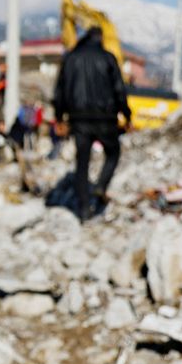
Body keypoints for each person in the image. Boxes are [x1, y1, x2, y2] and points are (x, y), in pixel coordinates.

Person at [52, 28, 130, 221]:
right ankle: (101, 185)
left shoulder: (70, 58)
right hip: (106, 118)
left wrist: (59, 117)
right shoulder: (108, 58)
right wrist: (126, 114)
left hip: (79, 120)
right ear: (100, 39)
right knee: (113, 152)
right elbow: (119, 88)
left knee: (82, 163)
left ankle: (84, 209)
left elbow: (59, 91)